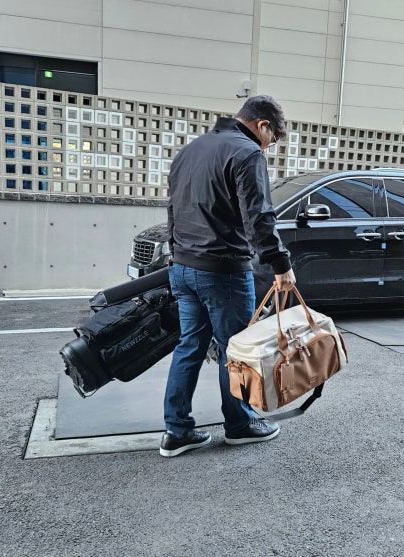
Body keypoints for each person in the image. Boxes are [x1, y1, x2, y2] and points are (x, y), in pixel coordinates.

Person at [159, 95, 296, 457]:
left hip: (183, 266)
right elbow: (259, 217)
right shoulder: (247, 153)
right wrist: (280, 264)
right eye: (271, 140)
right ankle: (239, 425)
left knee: (189, 347)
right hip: (223, 271)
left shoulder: (192, 149)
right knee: (235, 351)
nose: (268, 147)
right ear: (262, 126)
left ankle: (176, 431)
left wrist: (178, 256)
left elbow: (173, 209)